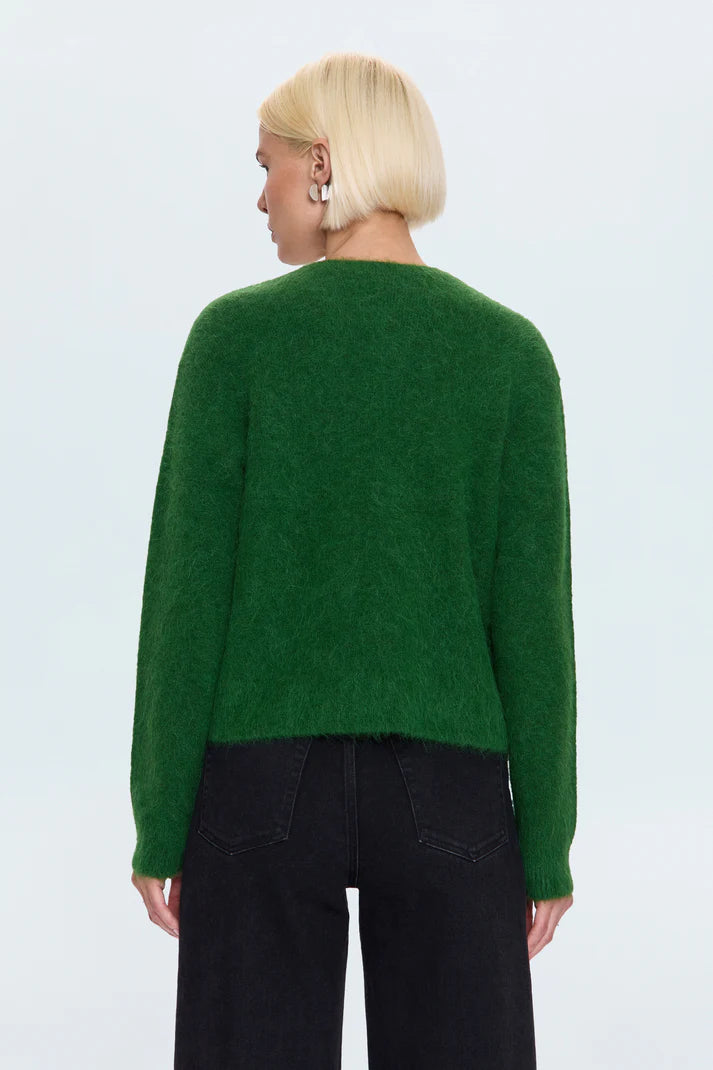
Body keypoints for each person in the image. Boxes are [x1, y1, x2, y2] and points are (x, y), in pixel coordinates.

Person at [129, 49, 577, 1069]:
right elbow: (532, 623)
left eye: (269, 165)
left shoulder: (233, 340)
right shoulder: (507, 353)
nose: (261, 196)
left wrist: (160, 818)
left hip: (256, 782)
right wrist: (545, 838)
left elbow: (185, 603)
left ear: (322, 164)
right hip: (452, 788)